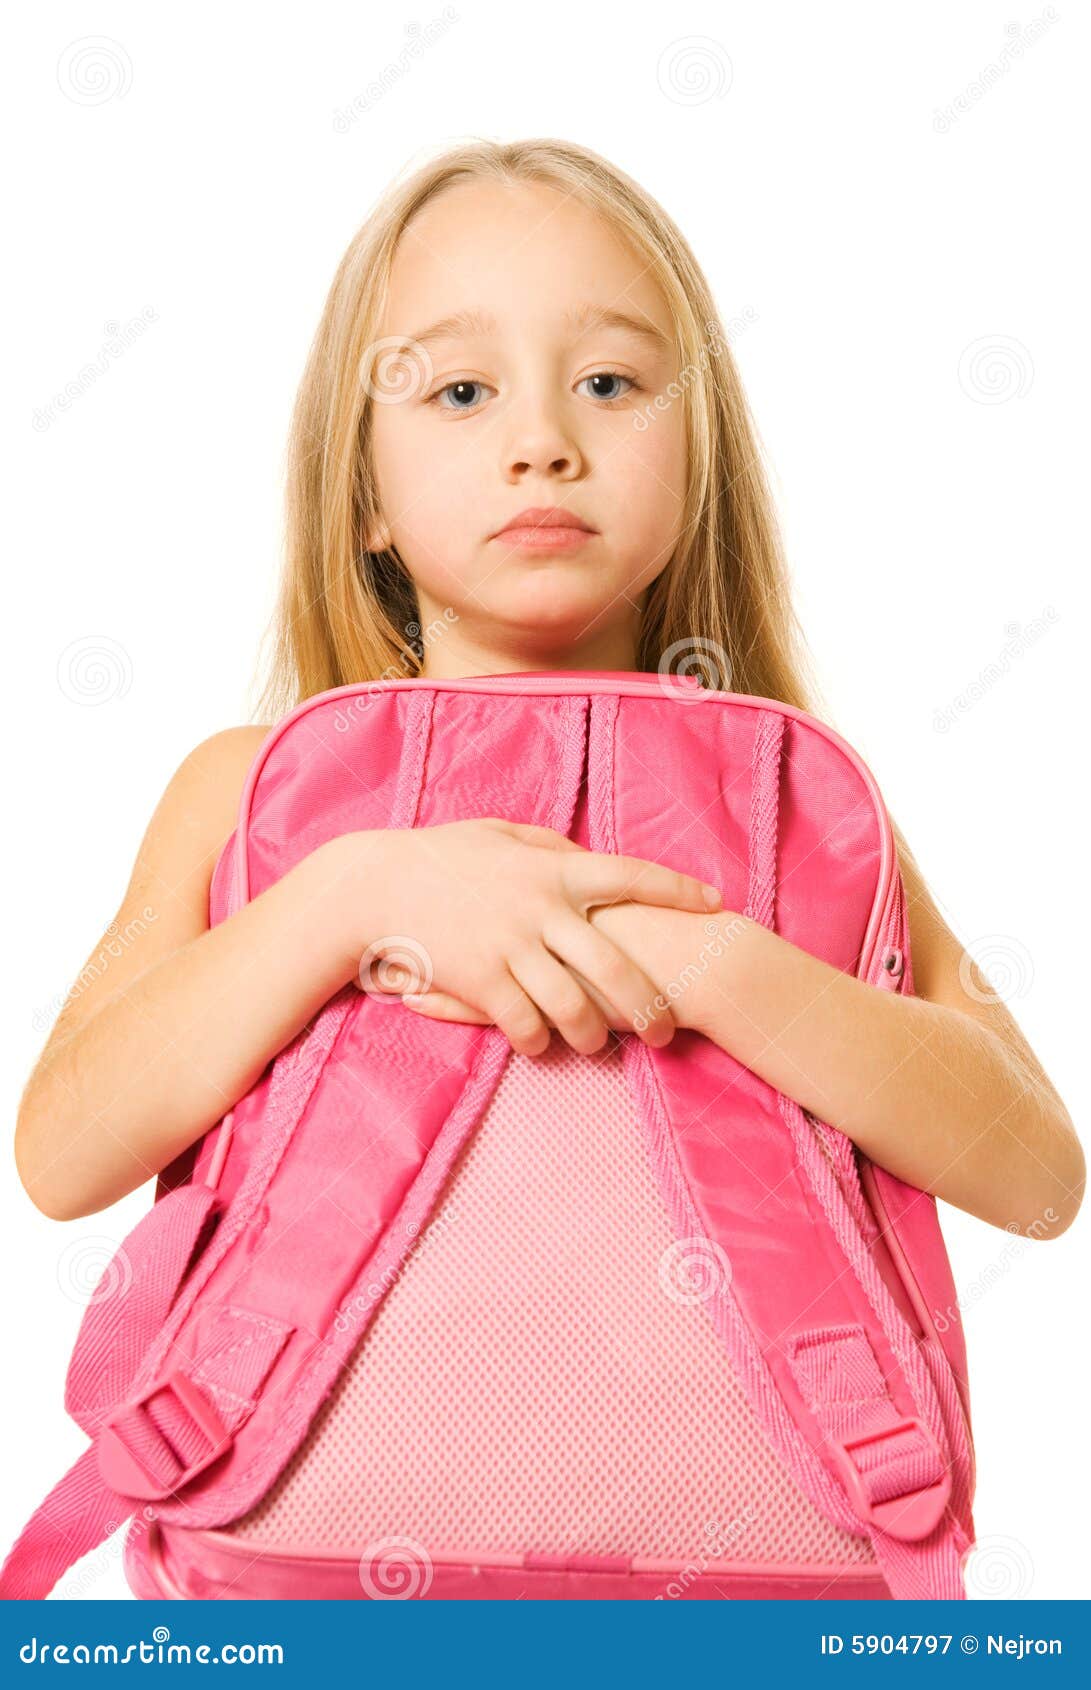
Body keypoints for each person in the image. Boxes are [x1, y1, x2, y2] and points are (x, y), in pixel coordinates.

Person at [11, 136, 1084, 1599]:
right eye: (460, 391)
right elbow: (63, 1151)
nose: (543, 442)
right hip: (286, 1581)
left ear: (695, 456)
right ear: (365, 496)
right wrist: (357, 897)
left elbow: (1037, 1175)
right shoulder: (247, 794)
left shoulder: (796, 802)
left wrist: (716, 964)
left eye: (611, 383)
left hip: (783, 1596)